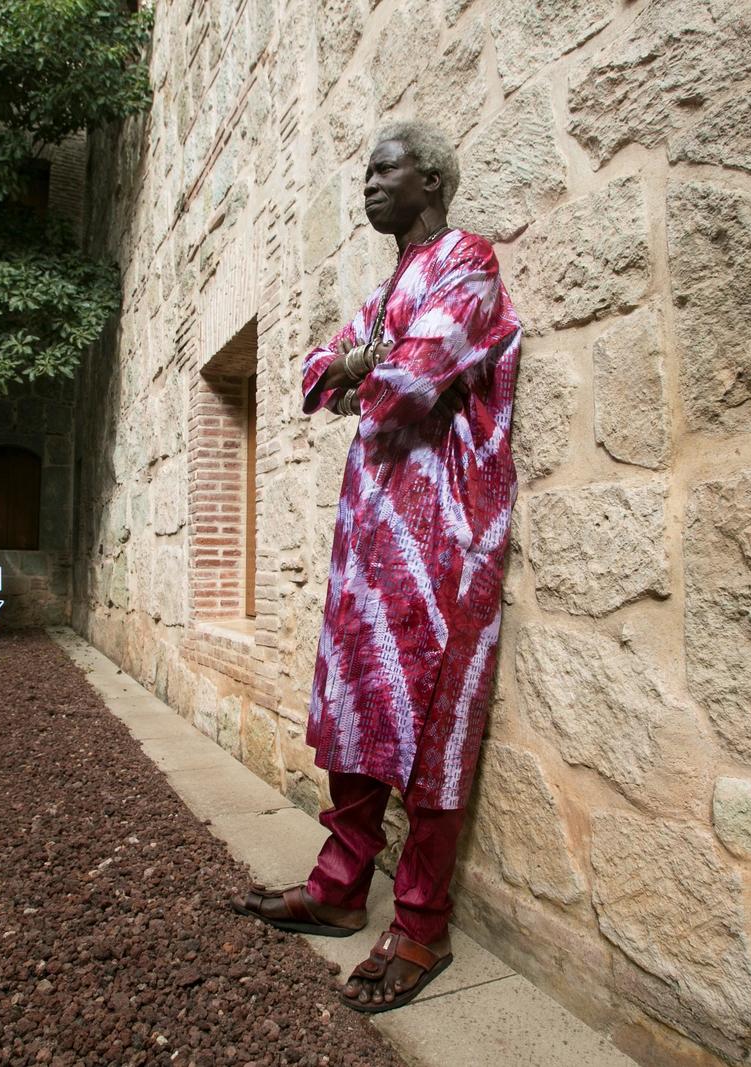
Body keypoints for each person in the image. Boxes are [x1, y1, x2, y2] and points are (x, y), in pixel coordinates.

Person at [233, 119, 520, 1013]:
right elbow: (315, 376)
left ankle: (423, 924)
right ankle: (339, 887)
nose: (368, 182)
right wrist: (361, 366)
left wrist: (366, 367)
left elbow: (412, 381)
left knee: (435, 717)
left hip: (446, 534)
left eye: (385, 168)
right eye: (366, 169)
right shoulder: (388, 287)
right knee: (355, 700)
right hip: (370, 536)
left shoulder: (468, 262)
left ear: (431, 180)